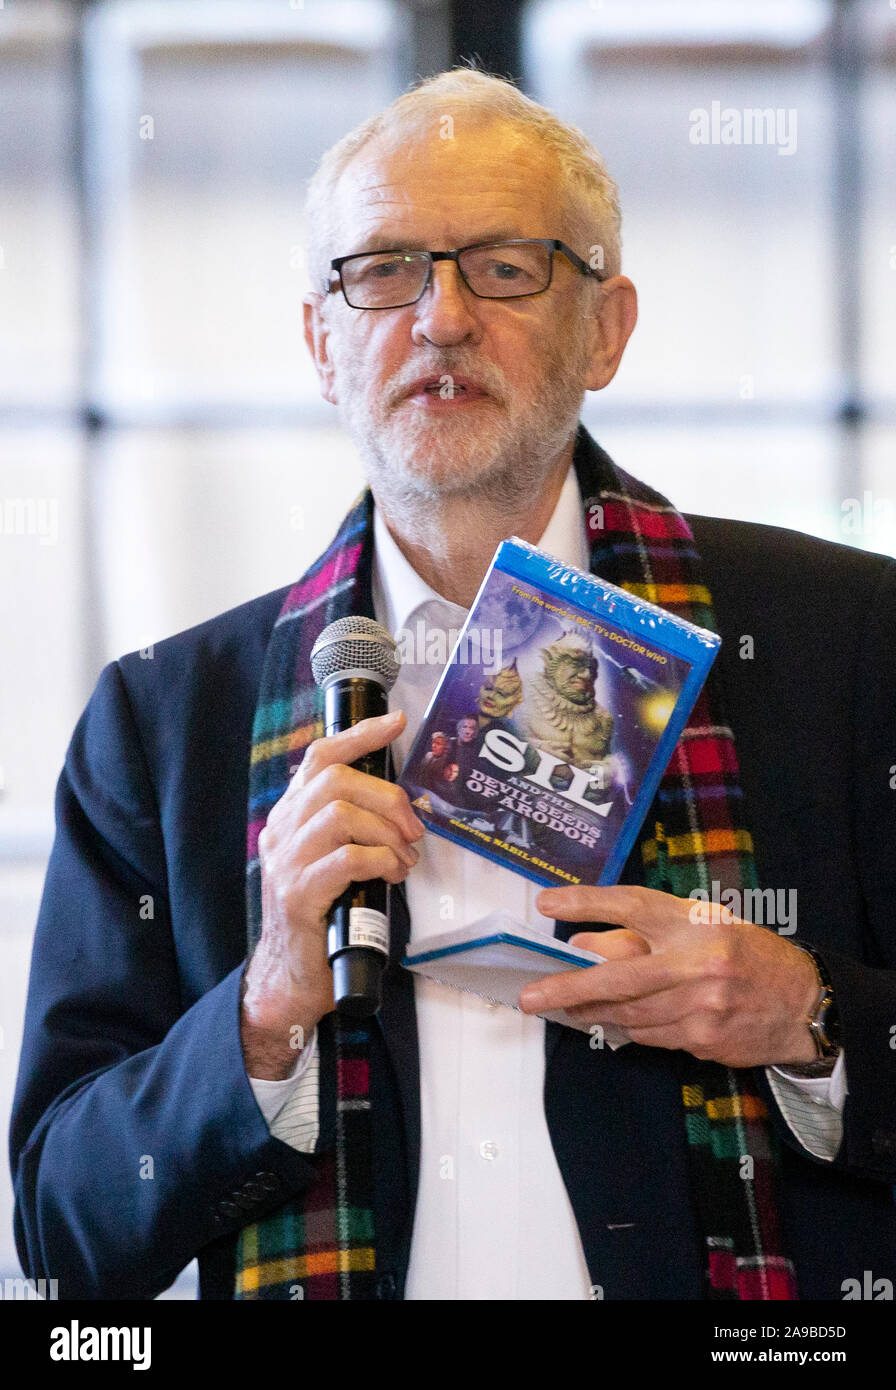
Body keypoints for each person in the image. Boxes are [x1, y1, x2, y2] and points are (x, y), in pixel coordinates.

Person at [10, 69, 896, 1302]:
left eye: (503, 266)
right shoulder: (163, 722)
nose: (437, 318)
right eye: (382, 269)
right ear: (323, 343)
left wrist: (809, 1018)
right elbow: (62, 1230)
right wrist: (259, 1015)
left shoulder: (847, 638)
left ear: (606, 326)